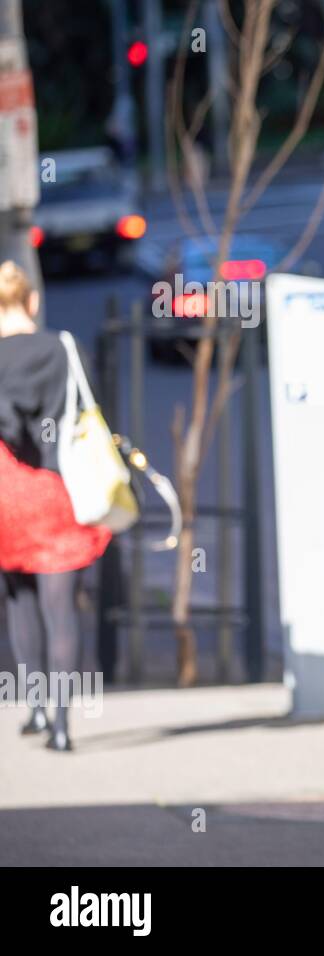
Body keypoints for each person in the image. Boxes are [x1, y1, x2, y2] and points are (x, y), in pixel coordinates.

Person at [0, 260, 110, 752]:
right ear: (33, 300)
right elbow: (92, 410)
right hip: (59, 488)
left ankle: (37, 706)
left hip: (7, 491)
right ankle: (63, 726)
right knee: (60, 609)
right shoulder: (63, 348)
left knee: (18, 599)